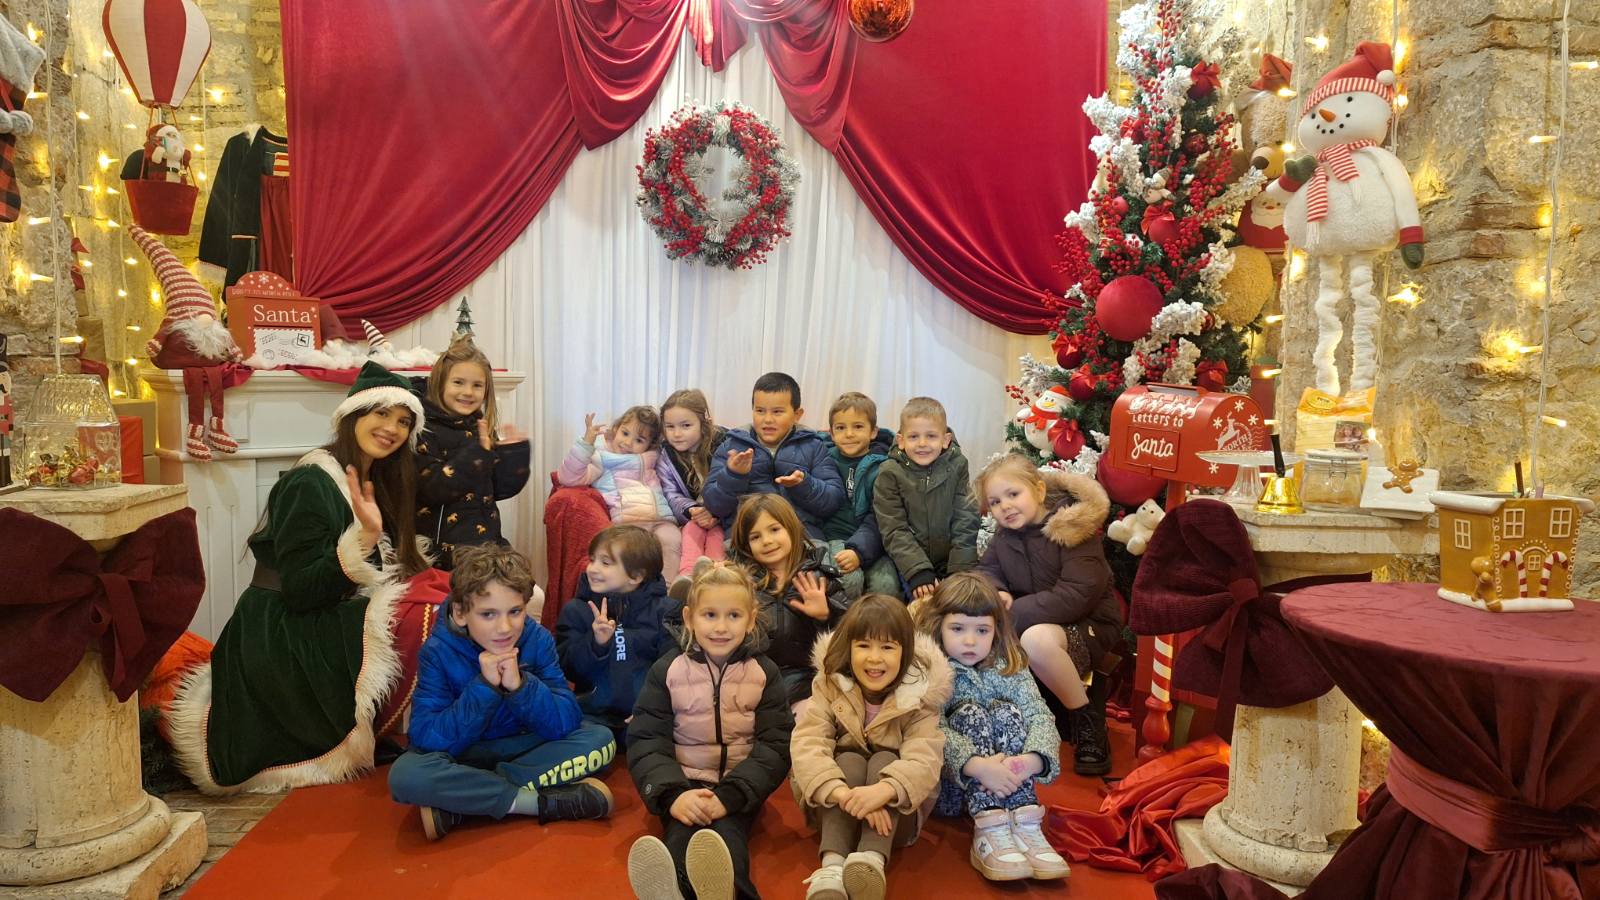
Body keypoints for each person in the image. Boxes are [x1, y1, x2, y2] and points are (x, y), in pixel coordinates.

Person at [169, 362, 435, 793]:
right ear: (353, 414)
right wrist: (365, 538)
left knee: (436, 600)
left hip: (323, 611)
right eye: (382, 413)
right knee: (421, 616)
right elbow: (300, 590)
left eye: (404, 421)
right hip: (282, 630)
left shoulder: (373, 479)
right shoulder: (310, 482)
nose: (392, 428)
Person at [388, 545, 616, 839]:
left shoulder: (538, 639)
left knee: (601, 741)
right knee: (406, 776)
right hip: (466, 753)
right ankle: (536, 803)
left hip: (525, 745)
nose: (505, 627)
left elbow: (566, 720)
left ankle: (467, 800)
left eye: (515, 612)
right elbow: (426, 736)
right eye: (488, 614)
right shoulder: (437, 651)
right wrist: (485, 688)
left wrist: (520, 685)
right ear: (460, 613)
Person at [626, 564, 794, 900]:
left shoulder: (764, 673)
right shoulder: (667, 671)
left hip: (738, 787)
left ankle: (731, 892)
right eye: (710, 615)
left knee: (727, 844)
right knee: (679, 839)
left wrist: (731, 796)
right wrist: (673, 796)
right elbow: (647, 740)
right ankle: (673, 891)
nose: (721, 627)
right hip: (683, 783)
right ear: (689, 618)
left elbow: (775, 746)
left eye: (733, 615)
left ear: (751, 619)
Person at [790, 595, 951, 900]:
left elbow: (925, 758)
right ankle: (832, 866)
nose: (875, 658)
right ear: (849, 647)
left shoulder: (919, 697)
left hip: (895, 817)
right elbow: (807, 742)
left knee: (885, 758)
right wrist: (843, 793)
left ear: (905, 652)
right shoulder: (829, 684)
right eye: (864, 645)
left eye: (887, 647)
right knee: (849, 758)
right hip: (835, 808)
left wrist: (883, 791)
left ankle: (870, 860)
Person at [915, 573, 1069, 882]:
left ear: (995, 629)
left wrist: (1030, 761)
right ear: (939, 626)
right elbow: (930, 727)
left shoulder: (1010, 665)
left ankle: (1025, 821)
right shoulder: (932, 669)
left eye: (982, 630)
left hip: (1013, 781)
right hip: (956, 787)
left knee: (1007, 711)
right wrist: (978, 767)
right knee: (971, 713)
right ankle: (990, 825)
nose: (970, 641)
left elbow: (1039, 714)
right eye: (958, 629)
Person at [975, 453, 1122, 776]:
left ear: (1039, 491)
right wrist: (997, 589)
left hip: (1089, 623)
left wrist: (1013, 612)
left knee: (1035, 640)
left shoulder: (1072, 528)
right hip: (1037, 621)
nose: (1005, 506)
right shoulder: (1005, 536)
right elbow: (987, 570)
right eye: (995, 502)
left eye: (1014, 494)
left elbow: (1078, 594)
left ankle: (1087, 722)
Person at [413, 336, 530, 567]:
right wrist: (477, 456)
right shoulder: (423, 429)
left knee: (526, 585)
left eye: (477, 385)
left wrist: (514, 455)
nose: (468, 392)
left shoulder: (479, 428)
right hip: (444, 554)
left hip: (487, 544)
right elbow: (432, 488)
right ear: (439, 383)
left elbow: (499, 489)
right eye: (458, 382)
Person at [555, 525, 678, 739]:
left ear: (636, 576)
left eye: (605, 562)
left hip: (648, 713)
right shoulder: (577, 610)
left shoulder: (665, 612)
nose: (592, 568)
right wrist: (596, 644)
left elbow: (674, 670)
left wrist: (652, 707)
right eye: (592, 559)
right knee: (584, 737)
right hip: (592, 717)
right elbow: (568, 669)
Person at [727, 494, 849, 707]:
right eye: (755, 537)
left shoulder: (818, 578)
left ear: (791, 528)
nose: (767, 541)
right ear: (746, 544)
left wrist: (825, 616)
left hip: (808, 681)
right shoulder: (740, 584)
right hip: (754, 678)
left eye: (774, 529)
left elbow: (853, 633)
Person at [702, 372, 844, 540]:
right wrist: (733, 475)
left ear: (797, 415)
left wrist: (803, 485)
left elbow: (833, 502)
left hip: (801, 536)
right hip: (748, 538)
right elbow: (715, 505)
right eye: (760, 411)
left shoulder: (814, 446)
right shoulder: (731, 446)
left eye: (777, 412)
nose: (768, 419)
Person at [873, 397, 980, 601]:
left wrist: (960, 567)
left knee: (961, 601)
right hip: (908, 561)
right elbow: (893, 528)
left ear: (945, 439)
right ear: (901, 440)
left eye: (931, 436)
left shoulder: (958, 465)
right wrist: (918, 570)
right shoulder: (889, 472)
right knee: (923, 605)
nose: (922, 443)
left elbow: (966, 517)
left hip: (950, 558)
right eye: (914, 436)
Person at [558, 406, 682, 567]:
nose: (628, 443)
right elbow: (568, 478)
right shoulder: (601, 458)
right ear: (616, 429)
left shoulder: (654, 458)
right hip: (629, 523)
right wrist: (585, 445)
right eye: (625, 433)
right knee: (634, 556)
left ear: (649, 445)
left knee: (672, 541)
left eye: (639, 440)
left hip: (662, 520)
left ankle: (668, 583)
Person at [820, 392, 900, 601]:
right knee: (849, 580)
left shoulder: (885, 466)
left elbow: (881, 516)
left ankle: (877, 623)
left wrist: (859, 551)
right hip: (835, 536)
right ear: (831, 433)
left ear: (873, 432)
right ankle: (847, 621)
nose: (849, 434)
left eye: (858, 426)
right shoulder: (822, 459)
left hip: (875, 540)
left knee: (887, 585)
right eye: (840, 428)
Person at [657, 389, 731, 587]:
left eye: (686, 425)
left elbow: (733, 485)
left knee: (716, 534)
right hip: (694, 517)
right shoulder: (666, 455)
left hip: (724, 514)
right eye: (670, 426)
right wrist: (692, 510)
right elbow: (670, 493)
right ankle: (687, 578)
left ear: (703, 423)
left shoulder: (725, 445)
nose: (676, 434)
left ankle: (715, 576)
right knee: (692, 528)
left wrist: (715, 512)